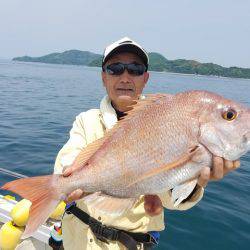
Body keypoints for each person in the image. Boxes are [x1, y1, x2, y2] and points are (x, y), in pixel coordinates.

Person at [53, 37, 240, 250]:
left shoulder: (165, 119)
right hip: (77, 240)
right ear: (104, 77)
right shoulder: (86, 121)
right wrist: (70, 180)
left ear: (146, 78)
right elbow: (65, 164)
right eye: (115, 69)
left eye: (135, 69)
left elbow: (173, 202)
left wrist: (195, 181)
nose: (125, 76)